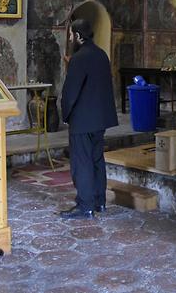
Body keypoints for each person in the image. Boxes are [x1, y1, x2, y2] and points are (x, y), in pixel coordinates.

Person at [60, 19, 118, 219]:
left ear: (77, 36)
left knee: (82, 162)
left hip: (82, 120)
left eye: (70, 35)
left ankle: (85, 206)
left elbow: (71, 92)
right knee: (96, 160)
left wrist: (65, 114)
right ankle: (99, 202)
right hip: (99, 120)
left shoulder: (79, 58)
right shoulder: (101, 55)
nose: (69, 39)